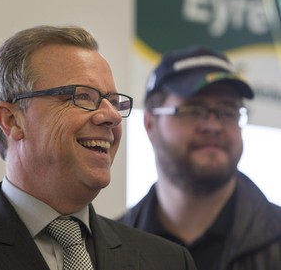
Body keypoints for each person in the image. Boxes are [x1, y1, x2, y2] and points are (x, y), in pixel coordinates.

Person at [0, 25, 197, 270]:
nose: (110, 116)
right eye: (82, 96)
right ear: (12, 120)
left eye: (113, 101)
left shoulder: (168, 260)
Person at [119, 46, 281, 270]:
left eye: (228, 111)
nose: (213, 126)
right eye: (193, 110)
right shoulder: (108, 248)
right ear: (150, 125)